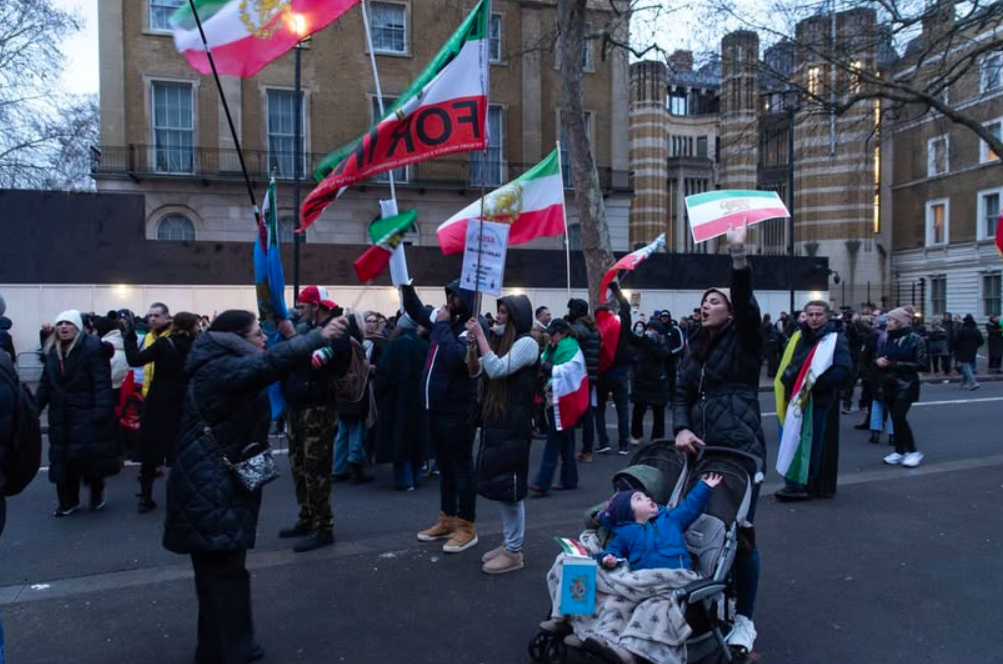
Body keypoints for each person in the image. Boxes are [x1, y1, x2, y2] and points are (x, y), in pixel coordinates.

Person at [164, 309, 346, 664]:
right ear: (236, 338)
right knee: (225, 572)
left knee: (217, 572)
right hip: (213, 485)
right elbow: (265, 367)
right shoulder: (222, 367)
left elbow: (274, 365)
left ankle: (216, 647)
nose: (264, 338)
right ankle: (233, 650)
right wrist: (314, 338)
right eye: (257, 333)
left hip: (210, 480)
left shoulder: (215, 361)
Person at [672, 224, 762, 653]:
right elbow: (682, 393)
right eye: (704, 301)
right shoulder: (695, 346)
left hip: (739, 448)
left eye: (715, 301)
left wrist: (738, 260)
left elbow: (746, 306)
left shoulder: (745, 339)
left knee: (739, 535)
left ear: (729, 311)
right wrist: (681, 428)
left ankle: (744, 619)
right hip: (701, 450)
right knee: (696, 527)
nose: (707, 306)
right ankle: (704, 599)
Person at [402, 279, 482, 554]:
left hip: (457, 409)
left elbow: (454, 357)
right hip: (436, 407)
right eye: (449, 294)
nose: (450, 300)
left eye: (456, 296)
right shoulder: (446, 321)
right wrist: (406, 287)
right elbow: (416, 311)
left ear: (467, 300)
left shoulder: (469, 326)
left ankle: (467, 525)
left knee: (461, 468)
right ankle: (447, 518)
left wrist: (442, 325)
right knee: (445, 467)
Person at [465, 295, 538, 574]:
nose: (499, 317)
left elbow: (497, 370)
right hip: (498, 420)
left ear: (517, 316)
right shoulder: (499, 341)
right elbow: (476, 372)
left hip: (514, 423)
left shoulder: (527, 343)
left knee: (511, 488)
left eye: (505, 312)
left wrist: (481, 335)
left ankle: (514, 551)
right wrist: (472, 347)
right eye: (498, 311)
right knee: (501, 486)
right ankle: (509, 543)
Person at [278, 285, 349, 553]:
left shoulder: (337, 332)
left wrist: (294, 337)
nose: (298, 311)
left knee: (316, 469)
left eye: (302, 306)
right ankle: (307, 516)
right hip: (297, 406)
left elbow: (316, 361)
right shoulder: (308, 330)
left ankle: (323, 527)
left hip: (318, 410)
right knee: (298, 466)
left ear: (316, 307)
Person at [35, 310, 119, 516]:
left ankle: (96, 489)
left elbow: (101, 382)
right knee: (62, 460)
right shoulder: (52, 351)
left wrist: (101, 411)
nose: (63, 327)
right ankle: (67, 502)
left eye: (68, 323)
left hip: (86, 412)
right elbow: (46, 384)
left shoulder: (91, 348)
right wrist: (33, 409)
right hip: (60, 415)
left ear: (77, 327)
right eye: (60, 323)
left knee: (87, 458)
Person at [775, 300, 852, 501]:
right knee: (794, 439)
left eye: (819, 314)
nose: (814, 318)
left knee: (812, 442)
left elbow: (844, 369)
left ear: (827, 316)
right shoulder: (801, 336)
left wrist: (814, 385)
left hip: (817, 399)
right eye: (810, 314)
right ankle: (794, 481)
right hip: (798, 397)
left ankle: (806, 483)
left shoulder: (835, 339)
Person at [122, 312, 199, 512]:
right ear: (191, 327)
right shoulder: (197, 345)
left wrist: (129, 338)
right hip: (184, 400)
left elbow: (136, 360)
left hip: (158, 399)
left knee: (151, 448)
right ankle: (180, 497)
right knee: (181, 449)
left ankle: (145, 498)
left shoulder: (164, 344)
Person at [596, 473, 723, 572]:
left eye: (647, 496)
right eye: (639, 499)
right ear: (629, 512)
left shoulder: (670, 519)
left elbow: (690, 507)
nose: (648, 498)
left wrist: (704, 487)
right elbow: (613, 550)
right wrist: (608, 559)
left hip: (677, 574)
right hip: (645, 580)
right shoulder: (626, 533)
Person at [374, 314, 429, 491]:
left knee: (399, 440)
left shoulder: (394, 345)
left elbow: (383, 374)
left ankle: (404, 480)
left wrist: (380, 393)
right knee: (417, 438)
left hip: (396, 399)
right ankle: (416, 476)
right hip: (419, 399)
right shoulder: (424, 345)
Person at [530, 318, 583, 495]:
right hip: (557, 397)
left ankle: (542, 482)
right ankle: (570, 478)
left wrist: (546, 367)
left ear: (563, 333)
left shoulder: (570, 348)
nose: (550, 337)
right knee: (565, 441)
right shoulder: (557, 347)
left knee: (554, 441)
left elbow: (568, 371)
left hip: (563, 399)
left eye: (553, 334)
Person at [877, 308, 928, 468]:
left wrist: (895, 364)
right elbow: (879, 356)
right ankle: (899, 451)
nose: (887, 322)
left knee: (899, 417)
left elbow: (922, 364)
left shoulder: (916, 340)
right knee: (895, 418)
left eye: (891, 320)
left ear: (899, 323)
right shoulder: (887, 338)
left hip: (906, 384)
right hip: (889, 383)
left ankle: (913, 451)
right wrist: (878, 361)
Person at [332, 313, 374, 485]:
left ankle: (338, 467)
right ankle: (354, 464)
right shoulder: (356, 344)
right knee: (356, 430)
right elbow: (358, 369)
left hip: (341, 392)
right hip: (355, 393)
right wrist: (369, 367)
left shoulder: (340, 342)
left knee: (342, 432)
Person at [595, 282, 634, 455]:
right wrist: (617, 290)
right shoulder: (621, 323)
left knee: (600, 408)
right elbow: (626, 306)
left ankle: (604, 442)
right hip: (620, 371)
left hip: (602, 373)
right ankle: (623, 445)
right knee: (622, 408)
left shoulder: (596, 329)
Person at [566, 299, 600, 463]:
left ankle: (572, 450)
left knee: (574, 413)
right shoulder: (593, 329)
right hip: (591, 375)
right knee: (587, 414)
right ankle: (587, 450)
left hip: (579, 376)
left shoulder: (577, 329)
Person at [628, 320, 670, 443]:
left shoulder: (662, 343)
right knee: (638, 410)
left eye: (653, 329)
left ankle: (657, 437)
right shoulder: (641, 341)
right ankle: (636, 435)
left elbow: (663, 354)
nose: (650, 331)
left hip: (658, 381)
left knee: (658, 411)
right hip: (642, 381)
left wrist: (650, 342)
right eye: (649, 329)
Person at [140, 303, 172, 398]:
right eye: (150, 316)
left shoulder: (172, 336)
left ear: (167, 317)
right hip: (148, 390)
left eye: (156, 316)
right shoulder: (149, 336)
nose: (152, 319)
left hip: (166, 392)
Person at [954, 314, 984, 390]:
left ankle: (973, 383)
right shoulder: (976, 330)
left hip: (962, 351)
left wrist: (956, 350)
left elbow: (957, 342)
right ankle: (963, 383)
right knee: (967, 367)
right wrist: (975, 346)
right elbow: (981, 341)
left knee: (966, 367)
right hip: (973, 351)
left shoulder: (962, 330)